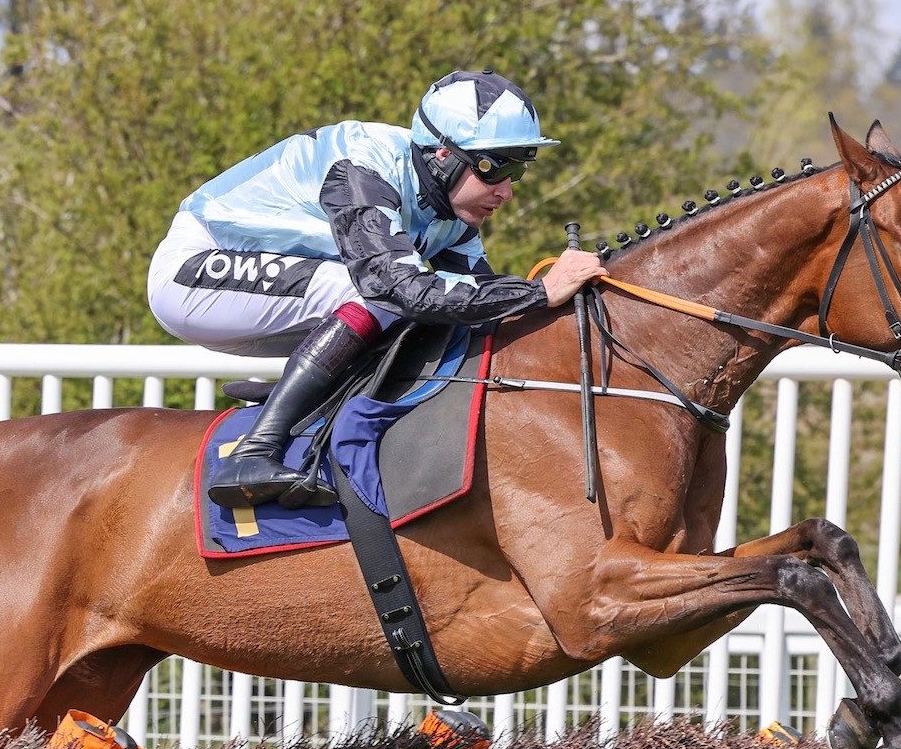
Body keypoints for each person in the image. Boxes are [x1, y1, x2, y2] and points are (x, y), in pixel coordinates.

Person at [148, 69, 605, 509]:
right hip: (193, 271)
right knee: (378, 296)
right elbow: (398, 289)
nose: (506, 192)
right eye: (493, 170)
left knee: (439, 313)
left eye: (516, 172)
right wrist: (540, 291)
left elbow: (480, 301)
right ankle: (254, 453)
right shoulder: (363, 170)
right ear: (442, 155)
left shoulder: (451, 214)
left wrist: (569, 296)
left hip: (267, 294)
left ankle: (312, 403)